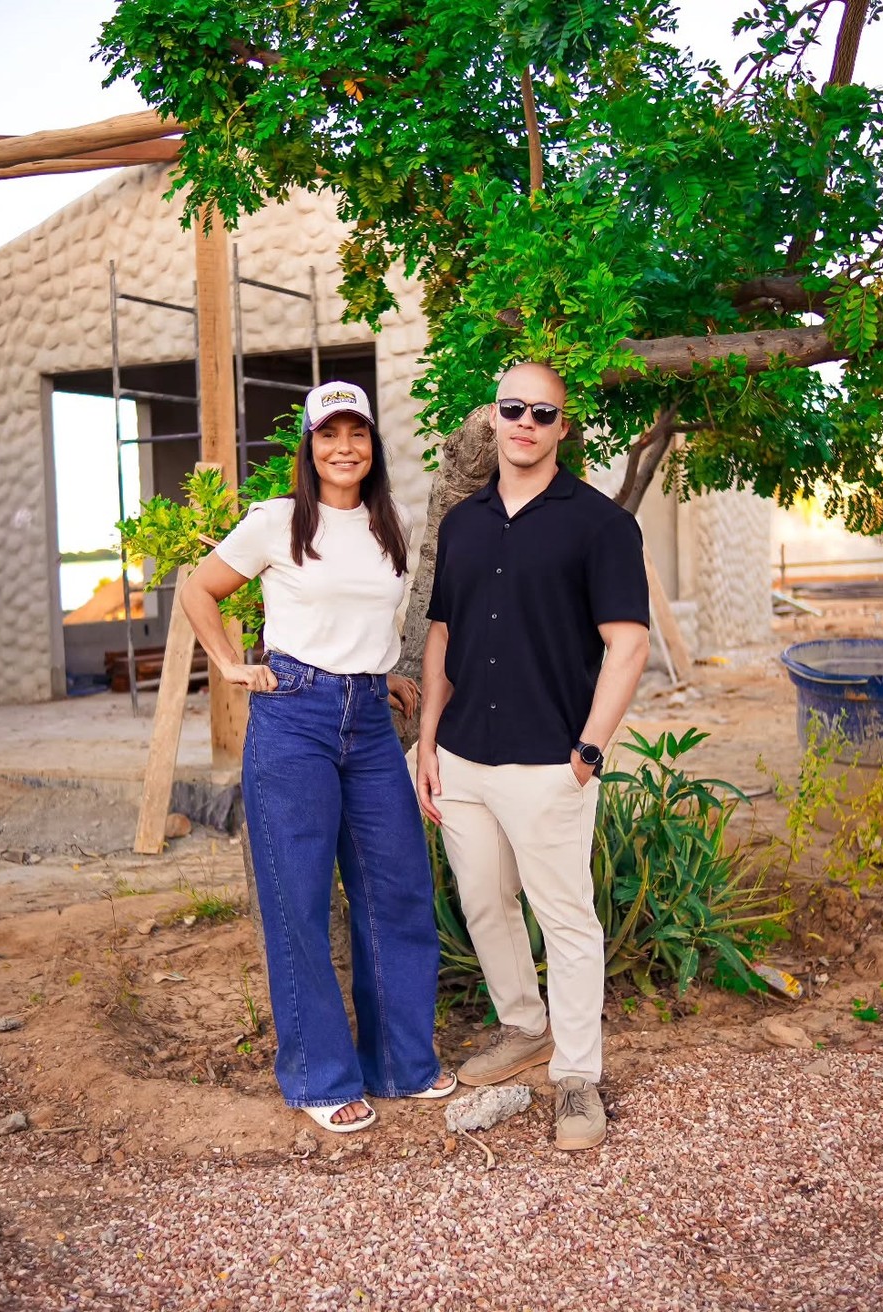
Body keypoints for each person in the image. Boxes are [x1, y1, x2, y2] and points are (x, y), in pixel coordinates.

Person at [181, 380, 455, 1133]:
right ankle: (320, 1078)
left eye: (356, 434)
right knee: (297, 899)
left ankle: (403, 1064)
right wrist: (230, 664)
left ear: (371, 444)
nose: (344, 448)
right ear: (309, 445)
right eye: (329, 435)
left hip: (367, 720)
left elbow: (369, 617)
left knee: (396, 890)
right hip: (294, 717)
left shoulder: (391, 523)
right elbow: (199, 590)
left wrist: (387, 675)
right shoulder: (275, 523)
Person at [416, 361, 650, 1151]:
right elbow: (442, 638)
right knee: (485, 904)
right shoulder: (463, 524)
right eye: (512, 407)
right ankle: (525, 1026)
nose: (525, 422)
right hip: (464, 759)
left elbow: (628, 645)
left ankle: (577, 1077)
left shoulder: (601, 525)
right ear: (492, 414)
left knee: (567, 921)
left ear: (563, 426)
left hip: (551, 763)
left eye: (542, 413)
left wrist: (588, 749)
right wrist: (427, 744)